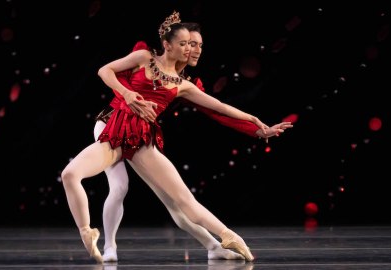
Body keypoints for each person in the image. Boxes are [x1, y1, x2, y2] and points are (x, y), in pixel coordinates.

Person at [61, 11, 292, 264]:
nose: (193, 49)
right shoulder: (144, 58)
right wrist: (127, 94)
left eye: (196, 45)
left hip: (141, 138)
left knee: (178, 203)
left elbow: (219, 108)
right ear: (168, 44)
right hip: (111, 125)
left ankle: (217, 243)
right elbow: (107, 72)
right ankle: (108, 246)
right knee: (118, 186)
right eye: (187, 43)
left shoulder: (185, 84)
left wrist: (257, 125)